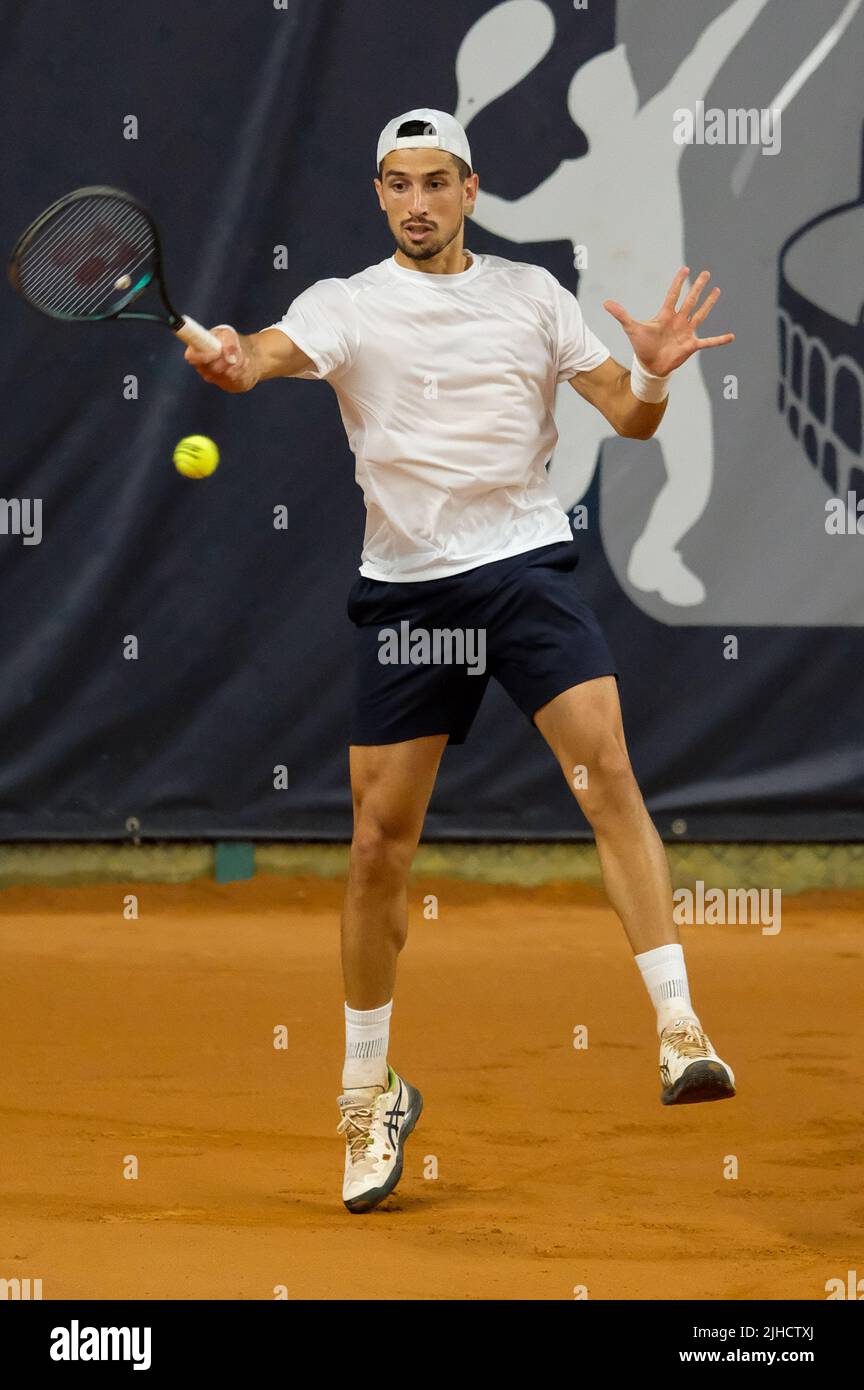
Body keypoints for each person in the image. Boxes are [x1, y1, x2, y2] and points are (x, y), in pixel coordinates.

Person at [184, 108, 737, 1216]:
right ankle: (365, 1088)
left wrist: (657, 374)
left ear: (472, 190)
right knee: (376, 847)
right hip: (406, 589)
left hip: (525, 564)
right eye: (399, 184)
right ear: (381, 194)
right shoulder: (345, 303)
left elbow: (626, 418)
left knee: (607, 769)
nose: (418, 201)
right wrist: (233, 357)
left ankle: (679, 1025)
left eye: (437, 181)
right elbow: (270, 357)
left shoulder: (533, 296)